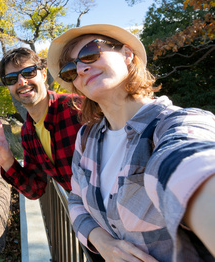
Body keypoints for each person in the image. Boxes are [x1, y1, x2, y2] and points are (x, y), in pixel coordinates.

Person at [47, 24, 215, 261]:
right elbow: (75, 199)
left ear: (127, 54)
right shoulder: (86, 138)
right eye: (70, 69)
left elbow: (188, 160)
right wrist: (102, 242)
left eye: (90, 53)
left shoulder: (175, 124)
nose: (82, 68)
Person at [0, 47, 82, 197]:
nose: (22, 82)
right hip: (86, 215)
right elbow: (35, 189)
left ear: (43, 75)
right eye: (11, 79)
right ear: (8, 87)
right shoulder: (28, 132)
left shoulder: (77, 107)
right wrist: (8, 162)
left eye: (29, 72)